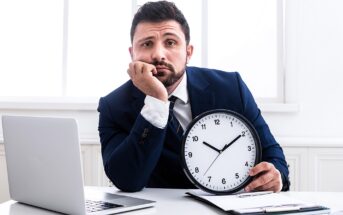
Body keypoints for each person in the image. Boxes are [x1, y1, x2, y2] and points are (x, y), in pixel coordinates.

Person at [97, 0, 290, 193]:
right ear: (132, 54)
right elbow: (126, 179)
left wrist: (275, 176)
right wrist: (157, 100)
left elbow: (273, 155)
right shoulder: (113, 107)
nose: (158, 54)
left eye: (170, 42)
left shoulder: (231, 87)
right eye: (147, 44)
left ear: (188, 52)